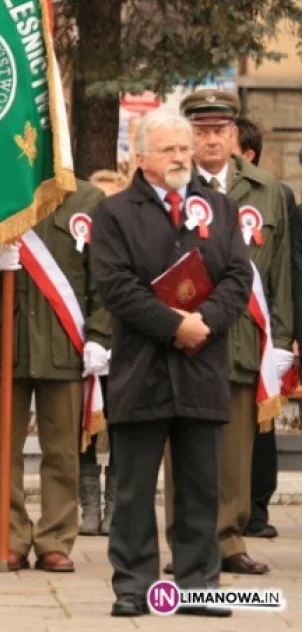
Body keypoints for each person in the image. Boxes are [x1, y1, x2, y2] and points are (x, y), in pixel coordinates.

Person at [92, 109, 252, 617]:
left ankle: (199, 587)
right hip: (143, 368)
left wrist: (203, 320)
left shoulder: (219, 209)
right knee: (136, 487)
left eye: (185, 148)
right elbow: (115, 286)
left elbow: (238, 278)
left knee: (201, 487)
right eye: (169, 150)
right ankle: (134, 587)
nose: (182, 157)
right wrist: (172, 325)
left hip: (202, 366)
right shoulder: (115, 213)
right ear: (142, 159)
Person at [163, 91, 291, 577]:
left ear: (235, 135)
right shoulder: (172, 188)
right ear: (188, 136)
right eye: (201, 131)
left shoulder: (267, 191)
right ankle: (186, 542)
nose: (211, 139)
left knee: (237, 452)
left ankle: (230, 538)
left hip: (243, 340)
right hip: (188, 338)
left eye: (220, 130)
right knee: (186, 447)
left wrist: (282, 339)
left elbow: (280, 272)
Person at [0, 180, 107, 572]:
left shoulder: (87, 199)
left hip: (64, 342)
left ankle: (55, 539)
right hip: (4, 341)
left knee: (62, 450)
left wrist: (99, 335)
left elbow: (102, 274)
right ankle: (7, 537)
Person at [235, 116, 300, 540]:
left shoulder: (277, 196)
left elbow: (288, 266)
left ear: (249, 155)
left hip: (260, 325)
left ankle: (257, 508)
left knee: (260, 418)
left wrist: (286, 333)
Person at [77, 170, 127, 537]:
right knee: (83, 428)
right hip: (84, 341)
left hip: (125, 345)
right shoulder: (81, 238)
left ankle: (116, 506)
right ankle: (89, 507)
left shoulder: (131, 238)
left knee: (123, 426)